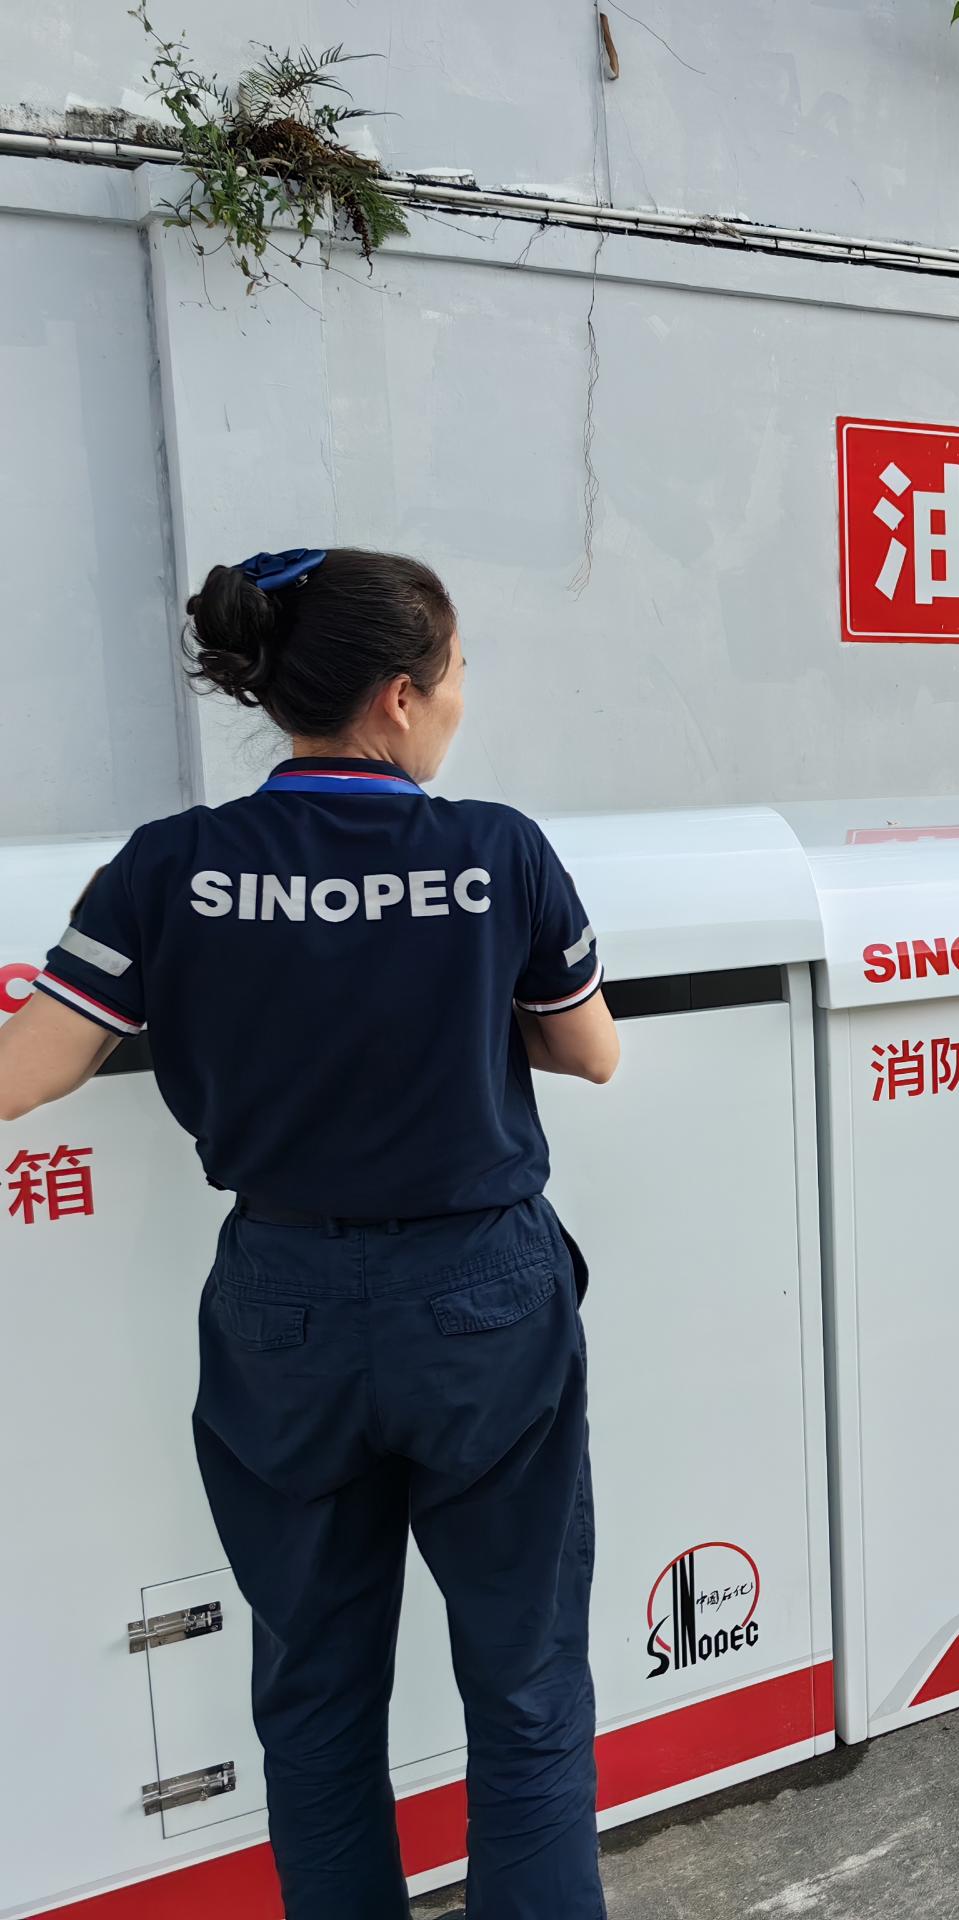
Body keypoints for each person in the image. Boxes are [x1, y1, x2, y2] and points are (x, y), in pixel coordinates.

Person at [0, 548, 619, 1918]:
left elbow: (24, 1072)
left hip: (281, 1309)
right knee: (524, 1685)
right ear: (399, 696)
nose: (461, 699)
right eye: (455, 674)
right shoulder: (497, 852)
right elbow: (591, 1051)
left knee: (316, 1699)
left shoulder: (171, 868)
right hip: (482, 1301)